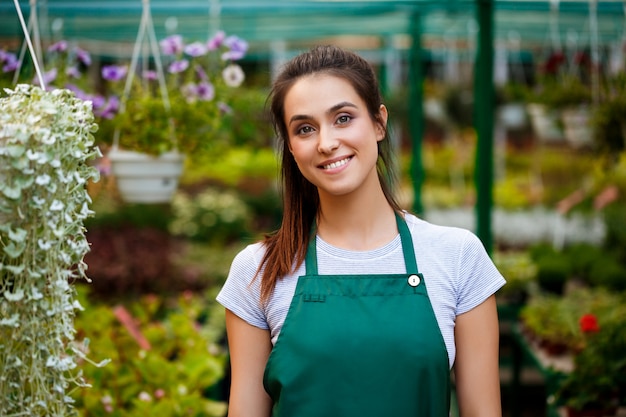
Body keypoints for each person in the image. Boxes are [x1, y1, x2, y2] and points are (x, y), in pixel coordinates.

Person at [217, 44, 505, 417]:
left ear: (379, 123)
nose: (326, 143)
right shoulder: (259, 269)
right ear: (290, 147)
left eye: (343, 118)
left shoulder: (458, 256)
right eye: (305, 128)